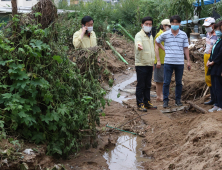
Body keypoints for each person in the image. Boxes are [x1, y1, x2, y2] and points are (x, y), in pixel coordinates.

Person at [155, 15, 191, 108]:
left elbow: (186, 48)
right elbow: (157, 41)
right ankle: (165, 101)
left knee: (178, 82)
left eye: (177, 23)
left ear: (179, 24)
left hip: (179, 62)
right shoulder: (165, 34)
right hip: (168, 62)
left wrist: (188, 61)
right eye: (173, 22)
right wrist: (164, 49)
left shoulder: (183, 34)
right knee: (166, 82)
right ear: (170, 24)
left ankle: (178, 100)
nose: (175, 24)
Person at [135, 16, 157, 112]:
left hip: (149, 64)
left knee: (148, 85)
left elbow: (151, 50)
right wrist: (139, 46)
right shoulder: (139, 35)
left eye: (150, 24)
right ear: (142, 25)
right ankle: (140, 103)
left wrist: (153, 63)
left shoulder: (150, 36)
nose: (148, 26)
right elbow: (138, 43)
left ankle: (147, 102)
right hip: (141, 64)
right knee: (141, 85)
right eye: (146, 24)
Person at [154, 19, 171, 102]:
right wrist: (158, 60)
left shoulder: (166, 34)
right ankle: (159, 96)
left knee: (163, 79)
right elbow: (156, 48)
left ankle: (161, 95)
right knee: (159, 80)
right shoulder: (159, 34)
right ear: (164, 26)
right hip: (160, 60)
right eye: (169, 26)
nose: (170, 27)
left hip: (166, 60)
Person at [207, 21, 222, 112]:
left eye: (218, 29)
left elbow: (220, 54)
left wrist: (213, 61)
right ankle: (216, 104)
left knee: (219, 87)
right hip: (214, 67)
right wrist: (209, 60)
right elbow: (213, 52)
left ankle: (220, 105)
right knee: (215, 86)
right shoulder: (218, 40)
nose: (217, 31)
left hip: (218, 67)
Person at [202, 17, 217, 105]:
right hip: (206, 56)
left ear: (213, 25)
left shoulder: (217, 35)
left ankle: (216, 99)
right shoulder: (208, 34)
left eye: (208, 26)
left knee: (214, 78)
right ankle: (212, 98)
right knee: (208, 78)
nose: (206, 28)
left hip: (213, 57)